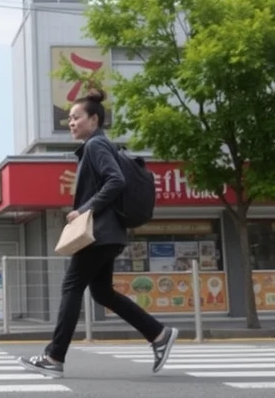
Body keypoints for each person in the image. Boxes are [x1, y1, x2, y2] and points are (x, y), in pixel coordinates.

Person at [18, 88, 178, 378]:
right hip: (109, 234)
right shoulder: (97, 145)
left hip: (99, 234)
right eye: (69, 118)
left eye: (76, 117)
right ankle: (159, 334)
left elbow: (115, 181)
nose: (71, 122)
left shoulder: (96, 145)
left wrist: (84, 209)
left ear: (94, 119)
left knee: (71, 287)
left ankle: (54, 357)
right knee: (102, 292)